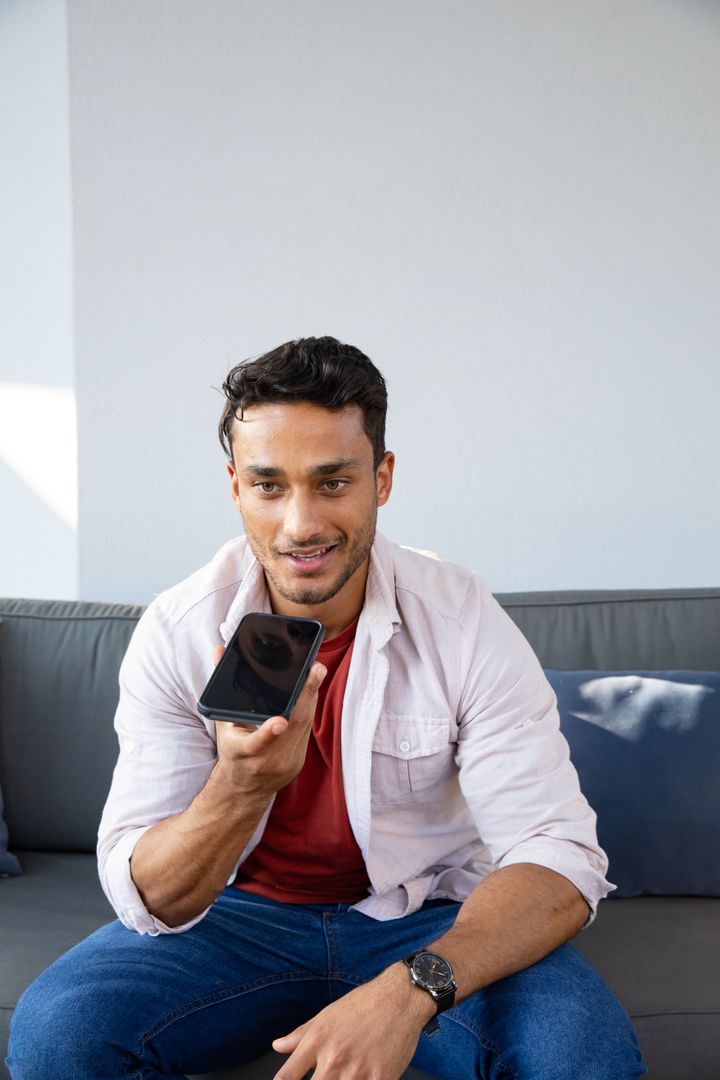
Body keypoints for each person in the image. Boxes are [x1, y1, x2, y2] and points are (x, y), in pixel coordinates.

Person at [7, 336, 646, 1079]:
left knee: (584, 1058)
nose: (300, 524)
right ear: (236, 487)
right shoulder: (180, 629)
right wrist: (241, 784)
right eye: (269, 485)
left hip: (426, 916)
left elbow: (557, 857)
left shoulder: (462, 620)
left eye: (333, 482)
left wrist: (411, 990)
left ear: (382, 478)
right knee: (58, 1038)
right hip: (236, 920)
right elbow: (150, 896)